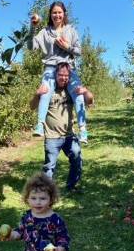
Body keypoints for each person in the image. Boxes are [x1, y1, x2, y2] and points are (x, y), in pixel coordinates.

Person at [27, 1, 88, 143]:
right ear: (50, 14)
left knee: (78, 94)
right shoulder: (45, 32)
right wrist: (32, 27)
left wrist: (67, 47)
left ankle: (83, 130)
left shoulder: (71, 30)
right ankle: (40, 126)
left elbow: (79, 51)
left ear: (64, 14)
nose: (57, 15)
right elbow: (30, 47)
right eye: (54, 12)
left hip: (68, 69)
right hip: (50, 69)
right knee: (45, 92)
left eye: (59, 12)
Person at [30, 62, 94, 192]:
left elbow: (90, 101)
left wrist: (86, 91)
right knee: (49, 166)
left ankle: (71, 187)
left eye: (66, 75)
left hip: (69, 135)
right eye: (61, 75)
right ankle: (47, 193)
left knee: (77, 159)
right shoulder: (48, 90)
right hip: (52, 137)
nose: (64, 78)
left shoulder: (72, 91)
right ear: (56, 74)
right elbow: (32, 106)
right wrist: (37, 94)